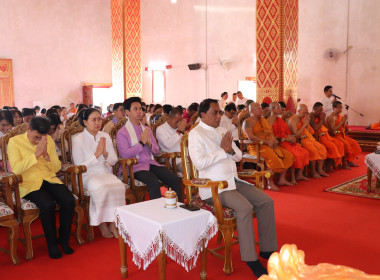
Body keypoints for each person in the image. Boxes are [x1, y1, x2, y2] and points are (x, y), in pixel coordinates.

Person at [189, 99, 277, 278]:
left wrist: (230, 150)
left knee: (266, 201)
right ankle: (251, 259)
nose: (219, 116)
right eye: (215, 113)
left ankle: (267, 250)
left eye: (219, 112)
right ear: (203, 114)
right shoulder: (196, 134)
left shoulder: (222, 130)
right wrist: (222, 151)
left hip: (233, 180)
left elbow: (237, 158)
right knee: (245, 207)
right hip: (215, 187)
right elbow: (199, 163)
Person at [8, 117, 75, 259]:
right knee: (47, 204)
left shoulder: (48, 140)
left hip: (48, 178)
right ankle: (52, 244)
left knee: (68, 200)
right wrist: (36, 154)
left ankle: (63, 240)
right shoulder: (14, 142)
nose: (38, 141)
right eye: (36, 137)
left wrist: (46, 156)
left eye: (41, 138)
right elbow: (16, 169)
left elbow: (57, 167)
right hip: (28, 182)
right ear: (28, 130)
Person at [72, 108, 126, 238]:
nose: (97, 122)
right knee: (101, 187)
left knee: (118, 186)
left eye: (99, 119)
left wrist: (106, 154)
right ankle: (101, 223)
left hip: (104, 172)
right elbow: (79, 166)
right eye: (93, 120)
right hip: (87, 175)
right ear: (85, 122)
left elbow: (113, 160)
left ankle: (113, 223)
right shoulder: (78, 139)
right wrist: (96, 154)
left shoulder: (105, 136)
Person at [116, 97, 182, 200]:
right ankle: (156, 214)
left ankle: (178, 208)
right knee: (153, 182)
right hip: (134, 166)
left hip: (150, 163)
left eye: (140, 109)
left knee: (174, 178)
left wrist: (150, 144)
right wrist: (141, 143)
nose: (139, 111)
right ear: (127, 112)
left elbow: (156, 151)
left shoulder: (147, 129)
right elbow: (125, 155)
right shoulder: (122, 132)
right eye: (135, 109)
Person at [243, 103, 294, 191]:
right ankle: (270, 183)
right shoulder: (248, 121)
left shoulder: (263, 120)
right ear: (252, 111)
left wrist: (274, 140)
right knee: (272, 157)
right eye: (258, 108)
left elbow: (270, 132)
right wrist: (266, 142)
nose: (261, 110)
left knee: (288, 155)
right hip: (257, 147)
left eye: (260, 108)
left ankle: (282, 179)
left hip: (269, 144)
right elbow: (250, 137)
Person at [267, 102, 309, 184]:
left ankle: (299, 175)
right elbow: (270, 137)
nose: (281, 109)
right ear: (272, 109)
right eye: (278, 107)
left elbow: (287, 133)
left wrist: (291, 138)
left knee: (305, 152)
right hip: (278, 143)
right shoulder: (268, 121)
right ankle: (292, 176)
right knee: (293, 154)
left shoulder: (280, 120)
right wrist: (286, 139)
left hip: (286, 141)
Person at [288, 104, 329, 178]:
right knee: (313, 151)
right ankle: (313, 172)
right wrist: (304, 125)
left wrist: (307, 125)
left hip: (309, 139)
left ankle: (320, 170)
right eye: (304, 113)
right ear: (299, 111)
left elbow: (311, 132)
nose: (305, 115)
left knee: (322, 148)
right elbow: (296, 135)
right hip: (300, 140)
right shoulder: (292, 120)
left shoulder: (303, 118)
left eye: (306, 113)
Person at [310, 102, 346, 169]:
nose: (321, 112)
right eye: (320, 110)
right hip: (319, 137)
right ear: (315, 109)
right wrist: (321, 120)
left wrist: (323, 120)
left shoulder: (320, 116)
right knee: (332, 146)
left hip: (327, 135)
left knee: (340, 144)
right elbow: (315, 128)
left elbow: (326, 127)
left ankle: (335, 164)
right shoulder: (311, 116)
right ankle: (328, 166)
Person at [326, 101, 362, 167]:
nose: (341, 109)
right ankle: (344, 163)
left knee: (354, 143)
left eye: (341, 107)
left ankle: (349, 161)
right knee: (345, 144)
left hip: (342, 135)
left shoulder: (339, 116)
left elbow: (342, 128)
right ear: (334, 108)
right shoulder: (332, 116)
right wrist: (342, 122)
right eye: (339, 107)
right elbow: (333, 130)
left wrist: (343, 122)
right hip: (334, 136)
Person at [156, 107, 187, 172]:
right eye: (177, 121)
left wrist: (184, 133)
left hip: (186, 158)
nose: (179, 123)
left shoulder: (179, 129)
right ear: (169, 119)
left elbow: (187, 144)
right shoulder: (160, 129)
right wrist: (179, 131)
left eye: (180, 121)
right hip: (174, 160)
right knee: (190, 170)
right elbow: (168, 145)